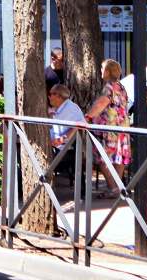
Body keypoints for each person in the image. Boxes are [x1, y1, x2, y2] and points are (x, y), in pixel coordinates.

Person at [86, 58, 131, 194]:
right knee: (119, 157)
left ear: (107, 71)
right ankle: (118, 187)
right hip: (122, 126)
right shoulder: (121, 87)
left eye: (102, 68)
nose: (100, 71)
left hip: (109, 128)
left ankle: (113, 187)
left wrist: (88, 117)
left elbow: (101, 103)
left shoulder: (109, 87)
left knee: (102, 157)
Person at [48, 83, 85, 149]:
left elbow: (81, 125)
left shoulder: (70, 108)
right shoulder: (62, 108)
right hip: (57, 148)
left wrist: (62, 139)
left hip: (66, 151)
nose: (49, 97)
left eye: (50, 94)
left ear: (58, 96)